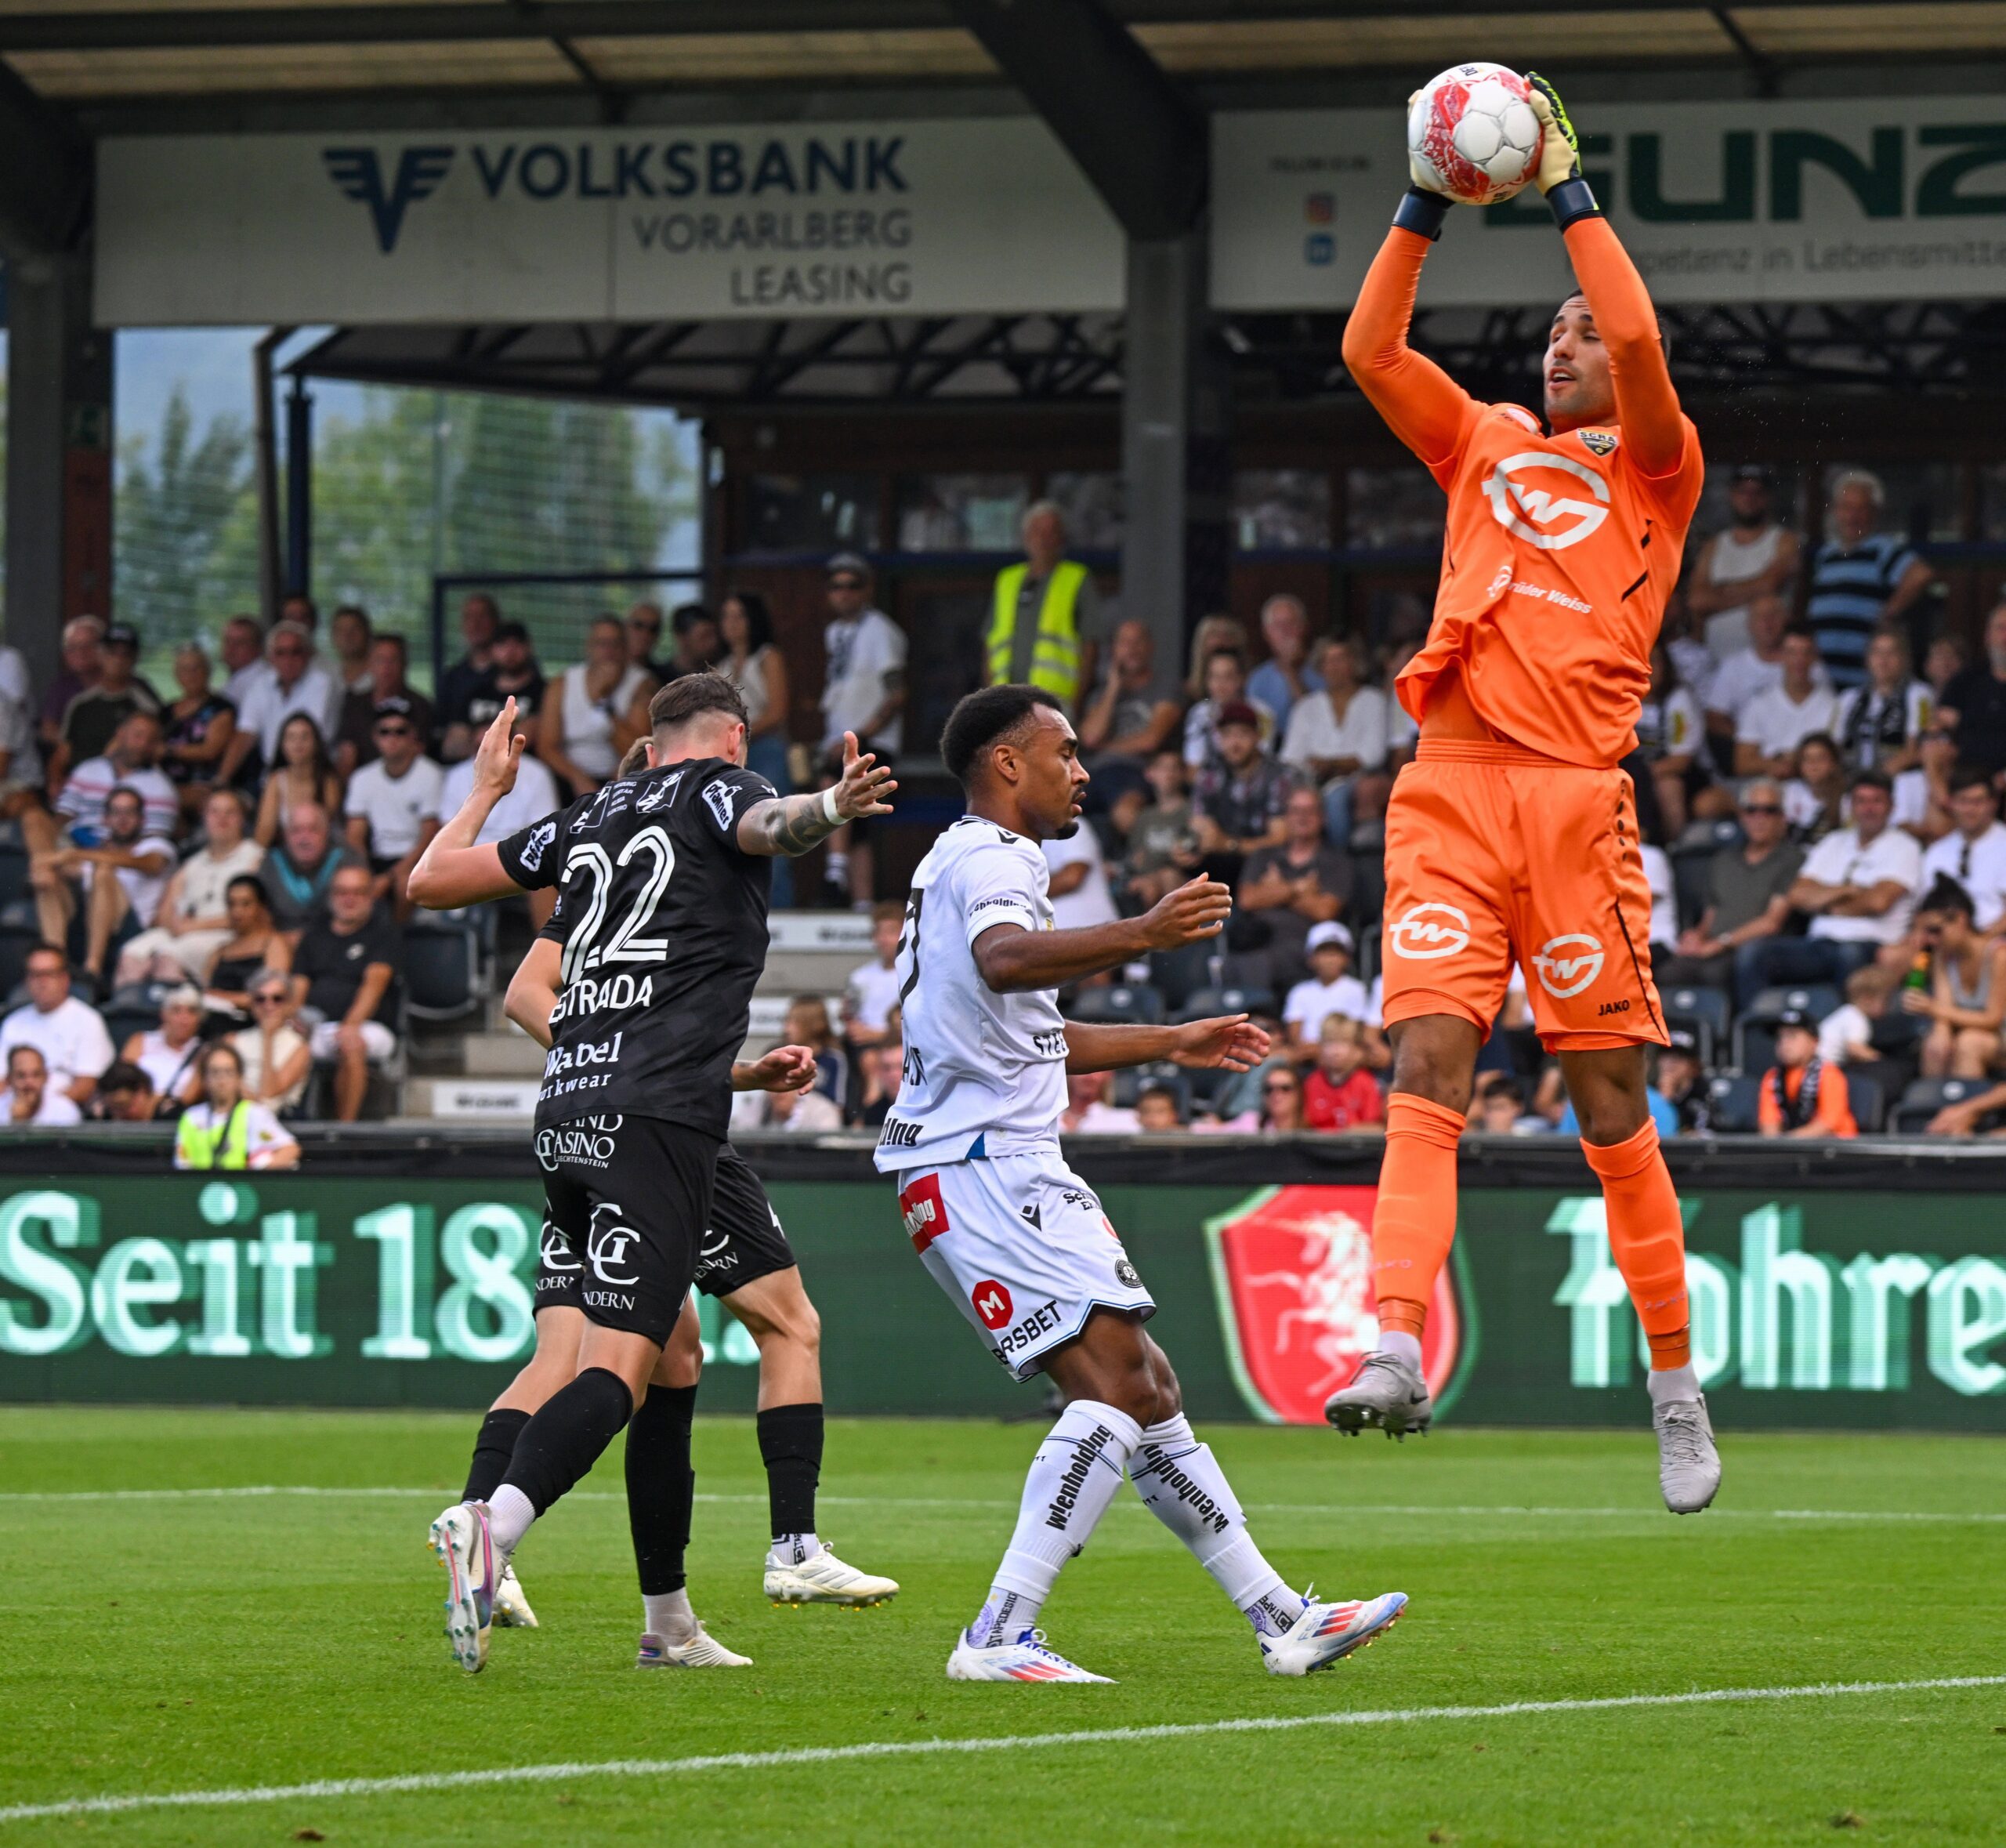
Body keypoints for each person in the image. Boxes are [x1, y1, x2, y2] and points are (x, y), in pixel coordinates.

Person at [1328, 75, 1718, 1512]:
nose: (1565, 344)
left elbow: (1628, 324)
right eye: (1546, 333)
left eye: (1577, 335)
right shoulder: (1481, 442)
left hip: (1574, 801)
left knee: (1608, 1102)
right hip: (1448, 790)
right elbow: (1371, 344)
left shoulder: (1658, 475)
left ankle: (1673, 1383)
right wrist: (1425, 201)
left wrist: (1568, 191)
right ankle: (1391, 1343)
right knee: (1427, 1070)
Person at [879, 682, 1404, 1683]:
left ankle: (1279, 1616)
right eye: (1064, 753)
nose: (1081, 772)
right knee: (1120, 1387)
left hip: (980, 1162)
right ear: (1005, 763)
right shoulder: (994, 858)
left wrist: (1174, 1040)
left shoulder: (959, 859)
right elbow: (1005, 962)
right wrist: (1144, 933)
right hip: (986, 1166)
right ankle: (997, 1633)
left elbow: (1033, 1033)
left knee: (1148, 1389)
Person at [407, 676, 896, 1673]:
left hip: (569, 1112)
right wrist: (832, 809)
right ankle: (489, 1528)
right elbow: (767, 823)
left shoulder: (588, 816)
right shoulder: (718, 785)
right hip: (657, 1122)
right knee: (620, 1368)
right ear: (731, 737)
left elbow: (427, 884)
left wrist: (489, 786)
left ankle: (667, 1622)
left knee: (672, 1357)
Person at [491, 931, 898, 1649]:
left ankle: (667, 1626)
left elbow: (525, 990)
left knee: (650, 1357)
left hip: (574, 1128)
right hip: (665, 1136)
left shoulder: (590, 880)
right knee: (787, 1326)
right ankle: (793, 1546)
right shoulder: (693, 868)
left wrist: (613, 1068)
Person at [1747, 770, 1922, 997]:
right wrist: (1849, 890)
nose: (1868, 808)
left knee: (1848, 955)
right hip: (1817, 944)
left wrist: (1824, 902)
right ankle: (1758, 1028)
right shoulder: (1833, 842)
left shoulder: (1905, 846)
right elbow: (1798, 895)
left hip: (1869, 944)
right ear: (1851, 806)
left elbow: (1878, 902)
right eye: (1861, 801)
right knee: (1754, 954)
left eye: (1876, 801)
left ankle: (1841, 1030)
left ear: (1892, 806)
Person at [818, 555, 906, 908]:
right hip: (839, 738)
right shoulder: (834, 632)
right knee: (858, 826)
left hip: (871, 740)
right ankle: (861, 904)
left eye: (852, 586)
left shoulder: (881, 631)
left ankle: (835, 872)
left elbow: (897, 693)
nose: (843, 594)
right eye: (836, 586)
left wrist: (864, 733)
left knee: (835, 786)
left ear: (866, 589)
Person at [1660, 780, 1802, 994]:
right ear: (1742, 816)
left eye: (1769, 811)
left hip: (1754, 950)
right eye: (1751, 810)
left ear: (1782, 818)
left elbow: (1771, 923)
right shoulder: (1723, 860)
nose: (1759, 818)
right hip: (1712, 947)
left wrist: (1720, 943)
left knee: (1717, 973)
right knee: (1665, 973)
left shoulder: (1792, 860)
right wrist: (1697, 936)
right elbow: (1711, 913)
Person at [1805, 469, 1935, 690]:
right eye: (1846, 507)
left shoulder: (1882, 550)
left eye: (1861, 509)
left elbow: (1922, 574)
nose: (1852, 516)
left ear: (1874, 513)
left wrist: (1889, 611)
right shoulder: (1826, 556)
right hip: (1823, 682)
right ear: (1836, 511)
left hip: (1865, 684)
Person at [291, 864, 401, 1121]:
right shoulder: (314, 935)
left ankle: (344, 1129)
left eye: (358, 892)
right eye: (342, 892)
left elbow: (374, 986)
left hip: (370, 1027)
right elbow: (298, 986)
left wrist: (351, 1024)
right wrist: (294, 1019)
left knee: (350, 1042)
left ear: (370, 896)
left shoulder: (384, 933)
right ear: (331, 896)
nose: (349, 899)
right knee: (280, 1040)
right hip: (318, 1026)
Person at [32, 784, 176, 980]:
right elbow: (66, 868)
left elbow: (151, 864)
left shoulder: (156, 846)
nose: (123, 818)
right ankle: (56, 963)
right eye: (116, 812)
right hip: (89, 925)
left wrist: (75, 854)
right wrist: (45, 867)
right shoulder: (97, 854)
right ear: (105, 819)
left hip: (133, 931)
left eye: (130, 812)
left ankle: (93, 969)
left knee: (104, 872)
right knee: (51, 881)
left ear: (142, 819)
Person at [986, 500, 1103, 713]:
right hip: (1006, 701)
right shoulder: (1007, 580)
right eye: (1037, 531)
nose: (1043, 539)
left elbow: (1090, 646)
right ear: (1025, 537)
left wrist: (1076, 702)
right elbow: (990, 642)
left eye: (1051, 532)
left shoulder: (1076, 578)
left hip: (1054, 701)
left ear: (1061, 538)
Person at [1236, 784, 1354, 993]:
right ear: (1286, 817)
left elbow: (1324, 911)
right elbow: (1247, 900)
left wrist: (1274, 890)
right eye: (1296, 811)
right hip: (1257, 939)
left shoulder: (1337, 862)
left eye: (1310, 811)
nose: (1303, 817)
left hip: (1305, 946)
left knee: (1269, 962)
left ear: (1323, 817)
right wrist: (1297, 889)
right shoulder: (1263, 856)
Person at [1280, 636, 1391, 847]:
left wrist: (1331, 764)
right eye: (1328, 660)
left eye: (1341, 659)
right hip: (1309, 779)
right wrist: (1314, 768)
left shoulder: (1373, 700)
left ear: (1355, 663)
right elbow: (1291, 757)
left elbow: (1372, 755)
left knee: (1335, 799)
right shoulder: (1306, 706)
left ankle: (1337, 861)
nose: (1334, 667)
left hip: (1355, 780)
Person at [1686, 466, 1800, 662]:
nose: (1749, 498)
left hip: (1769, 664)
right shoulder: (1714, 546)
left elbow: (1770, 585)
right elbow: (1696, 601)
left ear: (1768, 497)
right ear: (1732, 495)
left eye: (1757, 492)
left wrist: (1718, 594)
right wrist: (1756, 589)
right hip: (1717, 661)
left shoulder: (1784, 541)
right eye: (1743, 491)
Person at [344, 698, 444, 918]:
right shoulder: (362, 778)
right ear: (374, 737)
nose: (392, 738)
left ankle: (396, 941)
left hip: (418, 858)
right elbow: (355, 836)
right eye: (385, 731)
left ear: (413, 736)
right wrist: (365, 873)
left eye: (400, 731)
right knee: (348, 881)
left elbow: (429, 836)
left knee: (404, 883)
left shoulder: (430, 775)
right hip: (375, 859)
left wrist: (388, 878)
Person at [1905, 877, 2006, 1078]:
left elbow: (1993, 1019)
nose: (1931, 940)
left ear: (1961, 919)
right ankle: (1931, 1107)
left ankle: (1965, 1109)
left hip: (1999, 1035)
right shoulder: (1943, 955)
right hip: (1969, 1031)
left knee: (1969, 1043)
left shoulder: (1999, 955)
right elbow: (1945, 1011)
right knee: (1935, 1044)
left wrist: (1932, 1009)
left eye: (1935, 930)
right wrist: (1940, 1034)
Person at [538, 616, 650, 797]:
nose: (609, 651)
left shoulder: (643, 685)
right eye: (602, 644)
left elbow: (638, 751)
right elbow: (547, 747)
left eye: (615, 644)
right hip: (570, 780)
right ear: (589, 647)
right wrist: (578, 778)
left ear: (626, 648)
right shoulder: (562, 683)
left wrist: (604, 700)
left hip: (622, 780)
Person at [221, 623, 339, 788]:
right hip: (272, 775)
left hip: (313, 775)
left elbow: (308, 739)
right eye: (280, 653)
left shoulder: (322, 683)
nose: (288, 659)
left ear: (308, 655)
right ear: (270, 658)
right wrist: (221, 780)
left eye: (295, 652)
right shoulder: (261, 684)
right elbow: (245, 734)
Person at [1189, 702, 1292, 889]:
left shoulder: (1278, 775)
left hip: (1266, 867)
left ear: (1257, 736)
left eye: (1243, 734)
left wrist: (1229, 844)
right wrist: (1190, 849)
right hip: (1220, 865)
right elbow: (1200, 826)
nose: (1234, 743)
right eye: (1227, 735)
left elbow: (1280, 839)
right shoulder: (1211, 772)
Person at [0, 948, 114, 1107]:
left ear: (65, 979)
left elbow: (86, 1087)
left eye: (49, 974)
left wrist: (41, 1110)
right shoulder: (13, 1023)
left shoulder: (88, 1020)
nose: (42, 982)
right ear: (27, 980)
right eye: (35, 975)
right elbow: (2, 1081)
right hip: (15, 1114)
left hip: (66, 1117)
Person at [49, 709, 179, 842]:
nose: (143, 744)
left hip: (123, 855)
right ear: (120, 734)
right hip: (74, 848)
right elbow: (64, 815)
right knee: (34, 819)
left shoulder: (162, 788)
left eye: (151, 740)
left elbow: (154, 843)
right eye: (138, 735)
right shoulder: (87, 769)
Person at [53, 623, 160, 783]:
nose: (118, 660)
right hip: (77, 787)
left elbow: (149, 758)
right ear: (100, 654)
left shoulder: (146, 707)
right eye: (111, 652)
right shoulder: (80, 703)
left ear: (135, 658)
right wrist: (55, 782)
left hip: (124, 790)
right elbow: (62, 754)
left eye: (125, 654)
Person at [172, 1042, 300, 1169]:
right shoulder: (191, 1117)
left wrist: (259, 1175)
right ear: (205, 1079)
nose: (221, 1080)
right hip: (201, 1187)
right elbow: (182, 1164)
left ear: (239, 1078)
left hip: (243, 1187)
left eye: (228, 1072)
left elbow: (290, 1149)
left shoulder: (254, 1114)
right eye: (215, 1072)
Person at [1076, 618, 1182, 770]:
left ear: (1151, 647)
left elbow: (1150, 741)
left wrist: (1104, 749)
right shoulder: (1101, 694)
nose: (1132, 649)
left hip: (1140, 771)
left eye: (1138, 641)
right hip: (1096, 772)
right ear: (1114, 649)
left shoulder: (1166, 688)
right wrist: (1113, 688)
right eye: (1124, 642)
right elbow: (1090, 738)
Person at [1734, 626, 1838, 781]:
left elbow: (1835, 759)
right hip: (1769, 789)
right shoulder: (1759, 704)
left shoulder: (1834, 705)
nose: (1799, 660)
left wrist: (1792, 762)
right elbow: (1742, 763)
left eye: (1806, 652)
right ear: (1781, 656)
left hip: (1816, 786)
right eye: (1792, 652)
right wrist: (1772, 765)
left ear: (1814, 657)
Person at [716, 592, 791, 796]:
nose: (731, 623)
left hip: (767, 747)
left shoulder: (768, 656)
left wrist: (740, 735)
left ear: (753, 619)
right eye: (726, 616)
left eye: (739, 615)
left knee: (770, 810)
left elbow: (777, 712)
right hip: (732, 752)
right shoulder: (722, 664)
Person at [1702, 591, 1794, 754]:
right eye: (1760, 617)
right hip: (1747, 757)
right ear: (1749, 624)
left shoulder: (1805, 662)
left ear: (1786, 619)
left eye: (1773, 616)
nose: (1767, 624)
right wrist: (1750, 740)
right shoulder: (1733, 666)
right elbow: (1714, 717)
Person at [260, 803, 364, 943]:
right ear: (285, 835)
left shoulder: (347, 861)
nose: (304, 838)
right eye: (296, 831)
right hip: (283, 944)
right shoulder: (271, 863)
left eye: (313, 830)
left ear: (326, 832)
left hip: (338, 943)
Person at [446, 621, 546, 765]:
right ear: (492, 650)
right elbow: (451, 746)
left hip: (526, 772)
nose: (510, 651)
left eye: (517, 643)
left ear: (529, 648)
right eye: (503, 644)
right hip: (475, 769)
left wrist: (479, 738)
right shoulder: (476, 693)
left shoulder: (543, 692)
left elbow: (529, 738)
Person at [1834, 628, 1931, 775]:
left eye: (1891, 653)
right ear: (1868, 659)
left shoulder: (1920, 694)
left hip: (1897, 780)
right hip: (1850, 778)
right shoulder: (1848, 698)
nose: (1883, 660)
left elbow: (1915, 749)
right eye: (1877, 652)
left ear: (1905, 659)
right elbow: (1833, 746)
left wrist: (1875, 780)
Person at [1919, 768, 2006, 933]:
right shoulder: (1937, 851)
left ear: (1994, 803)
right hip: (1943, 941)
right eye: (1962, 801)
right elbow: (1926, 908)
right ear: (1951, 803)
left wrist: (1981, 941)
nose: (1970, 810)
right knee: (1891, 956)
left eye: (1978, 802)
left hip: (1994, 942)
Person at [337, 633, 435, 777]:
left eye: (393, 660)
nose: (386, 667)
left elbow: (420, 752)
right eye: (380, 660)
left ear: (404, 664)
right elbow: (347, 754)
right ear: (369, 664)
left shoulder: (420, 705)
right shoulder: (354, 704)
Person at [1117, 748, 1203, 909]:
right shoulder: (1145, 817)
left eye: (1174, 768)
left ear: (1183, 774)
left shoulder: (1192, 812)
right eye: (1162, 768)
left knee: (1167, 877)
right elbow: (1137, 858)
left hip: (1180, 880)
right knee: (1146, 887)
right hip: (1148, 881)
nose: (1168, 773)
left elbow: (1191, 856)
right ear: (1150, 774)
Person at [159, 643, 237, 816]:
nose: (191, 675)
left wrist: (167, 751)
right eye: (184, 670)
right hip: (166, 782)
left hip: (202, 785)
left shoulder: (221, 709)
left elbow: (210, 750)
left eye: (196, 668)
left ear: (208, 671)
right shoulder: (166, 711)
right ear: (177, 675)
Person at [1756, 1009, 1857, 1139]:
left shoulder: (1829, 1074)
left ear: (1814, 1042)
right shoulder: (1773, 1077)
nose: (1784, 1043)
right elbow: (1769, 1123)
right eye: (1780, 1037)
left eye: (1792, 1036)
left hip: (1839, 1149)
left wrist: (1786, 1142)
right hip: (1797, 1151)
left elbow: (1828, 1124)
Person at [205, 875, 294, 1020]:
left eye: (246, 904)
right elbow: (204, 993)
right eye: (232, 904)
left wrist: (220, 997)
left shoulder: (274, 945)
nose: (237, 912)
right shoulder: (219, 952)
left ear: (261, 906)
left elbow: (273, 996)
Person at [1936, 599, 2006, 784]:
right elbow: (1939, 726)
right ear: (1987, 636)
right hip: (1965, 782)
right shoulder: (1966, 680)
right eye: (2000, 628)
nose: (2005, 637)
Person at [252, 712, 342, 849]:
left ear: (316, 743)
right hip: (289, 853)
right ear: (282, 745)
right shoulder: (276, 780)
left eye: (304, 737)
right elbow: (264, 831)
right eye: (291, 737)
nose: (297, 743)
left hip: (326, 851)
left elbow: (322, 830)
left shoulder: (329, 781)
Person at [230, 969, 312, 1114]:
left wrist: (268, 1038)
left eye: (277, 999)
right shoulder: (233, 1040)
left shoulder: (300, 1048)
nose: (269, 1006)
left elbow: (270, 1095)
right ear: (252, 1004)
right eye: (260, 999)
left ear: (289, 1004)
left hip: (277, 1123)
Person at [1283, 922, 1370, 1056]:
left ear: (1347, 959)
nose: (1330, 959)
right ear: (1311, 958)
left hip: (1342, 1054)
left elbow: (1356, 1033)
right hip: (1306, 1057)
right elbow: (1294, 1036)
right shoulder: (1299, 991)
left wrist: (1327, 1050)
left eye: (1336, 953)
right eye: (1324, 953)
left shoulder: (1357, 989)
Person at [1183, 649, 1274, 770]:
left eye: (1228, 676)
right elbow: (1193, 766)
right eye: (1214, 676)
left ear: (1241, 679)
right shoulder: (1199, 712)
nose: (1220, 684)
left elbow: (1259, 763)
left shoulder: (1262, 713)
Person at [434, 592, 501, 756]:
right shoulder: (452, 678)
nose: (476, 624)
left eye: (482, 616)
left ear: (496, 622)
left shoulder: (514, 674)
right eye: (469, 617)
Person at [121, 984, 207, 1111]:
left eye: (191, 1012)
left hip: (172, 1116)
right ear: (164, 1014)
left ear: (200, 1018)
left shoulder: (204, 1053)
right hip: (131, 1113)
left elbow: (188, 1098)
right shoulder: (140, 1041)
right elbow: (122, 1081)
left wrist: (151, 1103)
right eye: (176, 1011)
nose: (184, 1019)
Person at [1247, 594, 1323, 732]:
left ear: (1304, 628)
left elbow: (1318, 724)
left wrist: (1291, 673)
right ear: (1266, 634)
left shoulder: (1323, 670)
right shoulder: (1258, 679)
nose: (1285, 632)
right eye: (1277, 626)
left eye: (1291, 624)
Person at [842, 901, 906, 1056]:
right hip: (865, 1047)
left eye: (891, 932)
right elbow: (849, 1013)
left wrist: (881, 1035)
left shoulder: (915, 974)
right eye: (879, 933)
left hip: (901, 1044)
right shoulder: (860, 976)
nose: (884, 940)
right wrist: (854, 1027)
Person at [1302, 1015, 1385, 1132]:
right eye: (1330, 1042)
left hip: (1356, 1147)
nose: (1335, 1051)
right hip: (1317, 1147)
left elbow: (1376, 1127)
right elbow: (1304, 1125)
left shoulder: (1365, 1082)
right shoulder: (1312, 1082)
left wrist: (1346, 1132)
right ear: (1321, 1046)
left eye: (1343, 1043)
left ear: (1356, 1049)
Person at [37, 617, 103, 758]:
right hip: (71, 761)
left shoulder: (127, 684)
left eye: (88, 645)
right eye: (72, 647)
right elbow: (48, 730)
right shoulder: (61, 686)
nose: (80, 653)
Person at [1041, 818, 1120, 932]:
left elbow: (1072, 878)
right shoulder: (1017, 841)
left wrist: (1023, 893)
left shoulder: (1067, 822)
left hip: (1096, 933)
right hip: (1054, 938)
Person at [1818, 963, 1895, 1067]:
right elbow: (1854, 1049)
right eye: (1885, 1000)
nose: (1888, 1006)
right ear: (1868, 999)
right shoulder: (1857, 1019)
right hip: (1819, 1065)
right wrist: (1881, 1061)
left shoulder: (1847, 1012)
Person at [1781, 733, 1848, 841]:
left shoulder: (1846, 800)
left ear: (1833, 763)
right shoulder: (1789, 791)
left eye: (1820, 758)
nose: (1813, 765)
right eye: (1807, 759)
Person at [4, 1044, 81, 1127]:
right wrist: (16, 1122)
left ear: (46, 1077)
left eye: (36, 1075)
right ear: (9, 1079)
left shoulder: (65, 1111)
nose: (29, 1082)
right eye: (21, 1075)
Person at [1059, 1068, 1139, 1135]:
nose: (1089, 1076)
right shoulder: (1050, 1118)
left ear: (1108, 1075)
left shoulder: (1125, 1121)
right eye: (1082, 1068)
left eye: (1096, 1070)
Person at [219, 615, 271, 710]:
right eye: (227, 641)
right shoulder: (235, 679)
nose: (231, 649)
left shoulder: (261, 681)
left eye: (239, 643)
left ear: (258, 648)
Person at [328, 604, 375, 704]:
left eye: (354, 629)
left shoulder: (380, 677)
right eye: (340, 630)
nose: (347, 636)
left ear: (367, 633)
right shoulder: (327, 676)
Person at [92, 1060, 161, 1123]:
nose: (118, 1116)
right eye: (112, 1109)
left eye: (123, 1107)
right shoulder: (103, 1118)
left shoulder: (169, 1118)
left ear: (142, 1092)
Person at [664, 603, 719, 682]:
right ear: (682, 638)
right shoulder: (658, 679)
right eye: (704, 636)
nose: (713, 642)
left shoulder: (720, 673)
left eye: (715, 635)